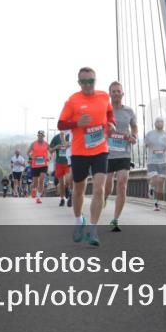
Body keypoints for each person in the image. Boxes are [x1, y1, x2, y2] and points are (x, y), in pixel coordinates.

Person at [57, 67, 116, 247]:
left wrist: (111, 124)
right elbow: (60, 124)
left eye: (91, 81)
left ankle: (93, 228)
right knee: (78, 190)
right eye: (84, 82)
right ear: (79, 83)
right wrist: (76, 123)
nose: (88, 85)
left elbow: (109, 113)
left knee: (99, 189)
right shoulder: (73, 100)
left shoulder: (104, 96)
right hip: (79, 151)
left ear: (95, 81)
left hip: (100, 150)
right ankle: (78, 221)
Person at [103, 81, 137, 232]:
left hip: (124, 152)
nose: (116, 93)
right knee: (107, 185)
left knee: (122, 184)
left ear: (122, 93)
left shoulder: (129, 111)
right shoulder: (105, 110)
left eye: (118, 91)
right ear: (110, 94)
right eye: (113, 91)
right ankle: (104, 198)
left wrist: (134, 136)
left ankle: (115, 219)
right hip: (107, 153)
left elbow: (134, 127)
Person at [144, 117, 166, 211]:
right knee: (156, 179)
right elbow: (145, 145)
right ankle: (151, 186)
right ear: (155, 123)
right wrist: (147, 144)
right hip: (152, 162)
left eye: (162, 122)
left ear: (164, 123)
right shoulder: (150, 134)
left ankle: (157, 204)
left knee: (161, 183)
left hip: (163, 162)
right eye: (158, 122)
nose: (160, 123)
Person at [50, 130, 73, 207]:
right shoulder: (56, 138)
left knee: (68, 180)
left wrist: (67, 145)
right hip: (59, 163)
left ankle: (69, 191)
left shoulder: (70, 135)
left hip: (68, 162)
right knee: (61, 183)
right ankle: (62, 199)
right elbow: (50, 150)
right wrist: (56, 147)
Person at [27, 130, 51, 204]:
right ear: (38, 136)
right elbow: (28, 153)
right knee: (35, 182)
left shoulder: (46, 144)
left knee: (41, 180)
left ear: (43, 136)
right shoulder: (33, 144)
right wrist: (32, 157)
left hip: (44, 164)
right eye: (39, 135)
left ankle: (39, 197)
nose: (40, 137)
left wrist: (49, 157)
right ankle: (34, 189)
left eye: (41, 135)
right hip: (35, 165)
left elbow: (50, 152)